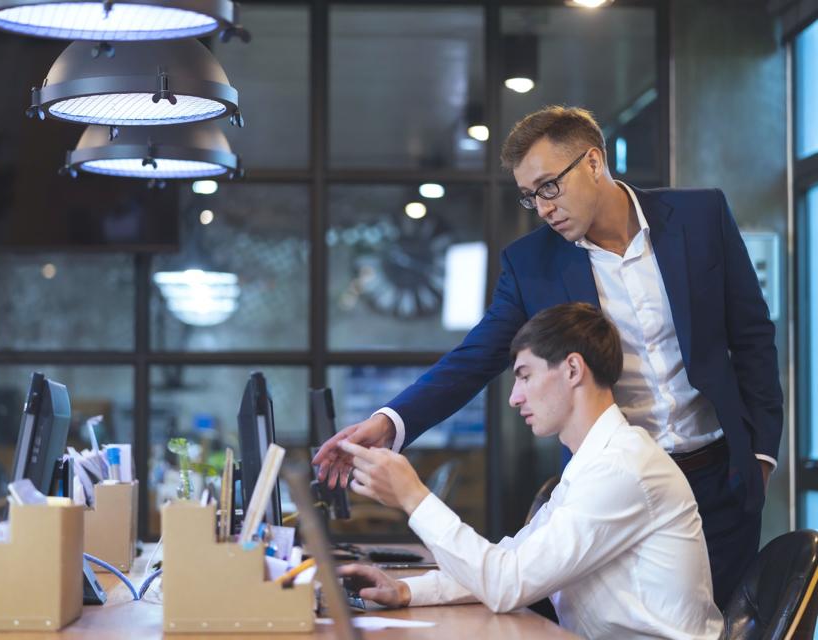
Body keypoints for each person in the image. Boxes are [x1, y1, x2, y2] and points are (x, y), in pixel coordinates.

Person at [313, 105, 782, 608]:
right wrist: (392, 422)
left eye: (548, 187)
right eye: (530, 196)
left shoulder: (701, 217)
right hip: (612, 487)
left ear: (594, 163)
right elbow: (476, 357)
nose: (542, 207)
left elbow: (753, 336)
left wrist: (760, 455)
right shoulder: (531, 263)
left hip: (722, 476)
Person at [336, 303, 723, 640]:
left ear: (572, 369)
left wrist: (413, 497)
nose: (514, 396)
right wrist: (406, 591)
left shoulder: (622, 468)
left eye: (524, 375)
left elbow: (506, 584)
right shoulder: (597, 460)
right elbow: (512, 561)